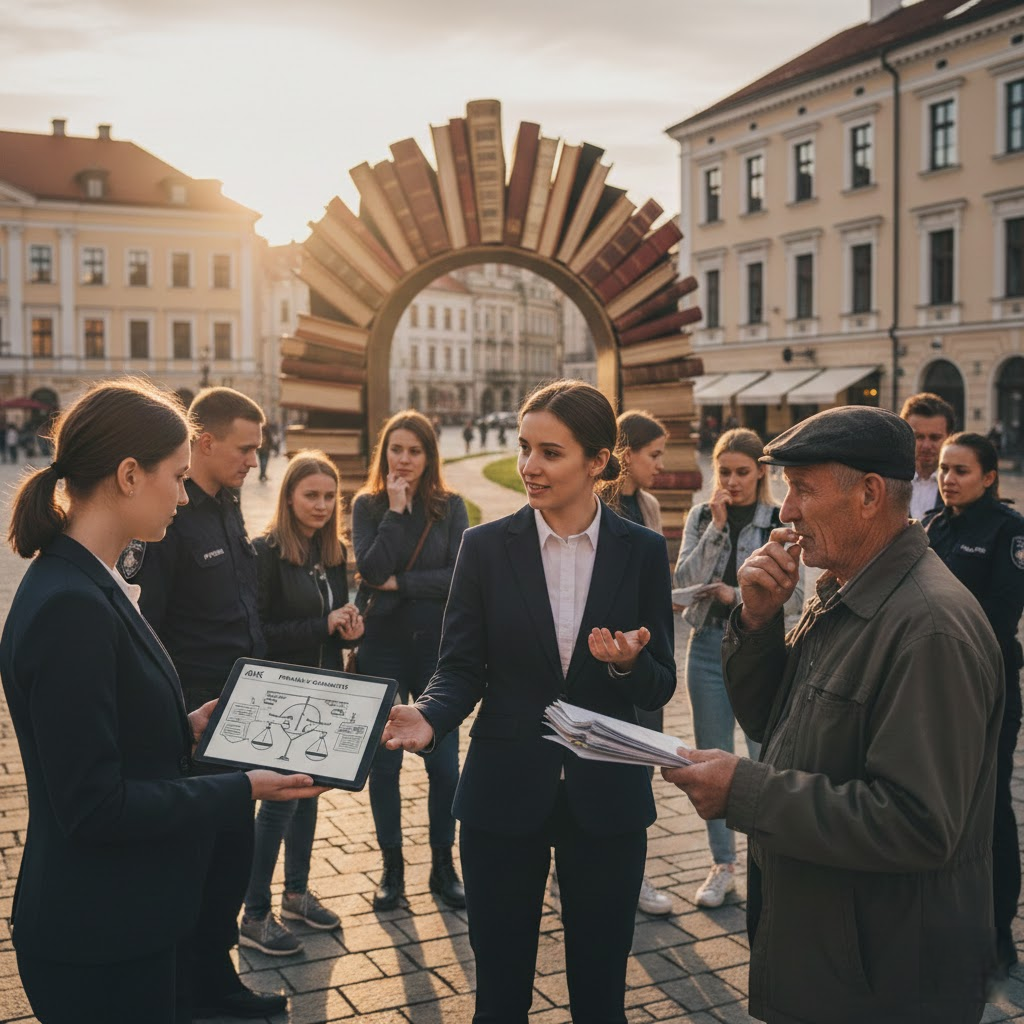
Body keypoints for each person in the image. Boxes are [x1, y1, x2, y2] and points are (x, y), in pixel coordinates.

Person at [663, 406, 1003, 1024]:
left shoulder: (928, 627)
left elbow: (917, 824)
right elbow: (776, 722)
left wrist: (747, 791)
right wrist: (759, 623)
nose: (786, 511)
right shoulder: (847, 588)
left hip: (887, 978)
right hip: (840, 953)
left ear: (870, 494)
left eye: (801, 489)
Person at [0, 379, 323, 1024]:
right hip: (96, 936)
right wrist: (244, 789)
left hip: (122, 921)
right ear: (127, 474)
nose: (184, 495)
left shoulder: (91, 576)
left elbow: (105, 731)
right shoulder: (71, 603)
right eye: (177, 478)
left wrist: (184, 728)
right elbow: (94, 805)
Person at [384, 380, 676, 1024]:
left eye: (550, 452)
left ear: (598, 462)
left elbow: (662, 683)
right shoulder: (485, 547)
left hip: (608, 798)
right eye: (524, 449)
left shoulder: (645, 551)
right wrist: (430, 717)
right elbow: (460, 668)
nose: (529, 467)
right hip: (503, 793)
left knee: (601, 996)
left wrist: (629, 665)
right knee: (500, 995)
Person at [126, 386, 281, 1019]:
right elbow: (148, 625)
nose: (254, 461)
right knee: (197, 867)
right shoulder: (168, 519)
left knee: (231, 862)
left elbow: (243, 603)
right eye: (245, 449)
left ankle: (218, 983)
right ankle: (192, 992)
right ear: (205, 441)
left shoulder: (227, 504)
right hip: (199, 719)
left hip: (244, 711)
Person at [240, 451, 365, 957]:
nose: (321, 504)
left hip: (325, 694)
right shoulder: (265, 551)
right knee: (276, 807)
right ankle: (253, 914)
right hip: (282, 700)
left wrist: (348, 632)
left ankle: (296, 894)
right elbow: (258, 634)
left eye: (330, 496)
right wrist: (323, 624)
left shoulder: (332, 552)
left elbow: (332, 628)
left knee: (311, 798)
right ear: (289, 495)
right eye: (311, 494)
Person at [672, 427, 803, 910]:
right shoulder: (703, 515)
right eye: (723, 471)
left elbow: (798, 602)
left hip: (763, 651)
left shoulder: (779, 522)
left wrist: (737, 598)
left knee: (763, 757)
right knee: (708, 758)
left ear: (760, 472)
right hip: (706, 648)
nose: (731, 480)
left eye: (741, 472)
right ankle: (722, 866)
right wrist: (717, 528)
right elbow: (684, 582)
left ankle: (767, 863)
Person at [351, 410, 470, 911]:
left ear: (429, 456)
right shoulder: (367, 504)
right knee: (385, 762)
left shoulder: (451, 507)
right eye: (396, 448)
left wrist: (400, 584)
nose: (404, 459)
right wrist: (395, 515)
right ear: (385, 452)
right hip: (381, 643)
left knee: (444, 766)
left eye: (414, 450)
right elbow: (370, 568)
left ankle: (444, 866)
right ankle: (391, 869)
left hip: (434, 646)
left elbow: (457, 578)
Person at [925, 432, 1024, 979]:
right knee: (940, 800)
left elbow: (1001, 613)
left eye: (961, 470)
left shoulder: (1009, 530)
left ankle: (997, 929)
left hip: (989, 686)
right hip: (936, 686)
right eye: (944, 469)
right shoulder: (934, 528)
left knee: (988, 807)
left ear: (989, 477)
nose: (948, 479)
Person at [600, 410, 672, 916]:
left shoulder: (648, 505)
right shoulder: (596, 506)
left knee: (642, 767)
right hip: (604, 660)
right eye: (655, 455)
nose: (661, 466)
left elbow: (657, 589)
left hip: (644, 658)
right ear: (625, 456)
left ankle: (633, 874)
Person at [900, 391, 955, 521]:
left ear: (950, 437)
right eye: (918, 437)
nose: (926, 446)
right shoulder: (889, 481)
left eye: (935, 438)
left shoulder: (959, 485)